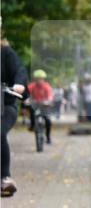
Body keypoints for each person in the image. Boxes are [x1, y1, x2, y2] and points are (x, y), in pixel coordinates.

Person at [2, 38, 28, 198]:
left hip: (5, 106)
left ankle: (4, 177)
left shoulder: (6, 53)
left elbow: (20, 70)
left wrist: (19, 84)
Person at [27, 70, 54, 144]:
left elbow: (50, 95)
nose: (39, 81)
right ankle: (32, 125)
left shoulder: (46, 86)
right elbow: (27, 93)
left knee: (48, 121)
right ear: (35, 79)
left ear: (43, 79)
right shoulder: (32, 86)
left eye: (41, 79)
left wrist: (48, 100)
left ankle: (48, 137)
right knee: (31, 111)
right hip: (35, 105)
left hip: (44, 105)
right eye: (37, 79)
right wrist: (27, 100)